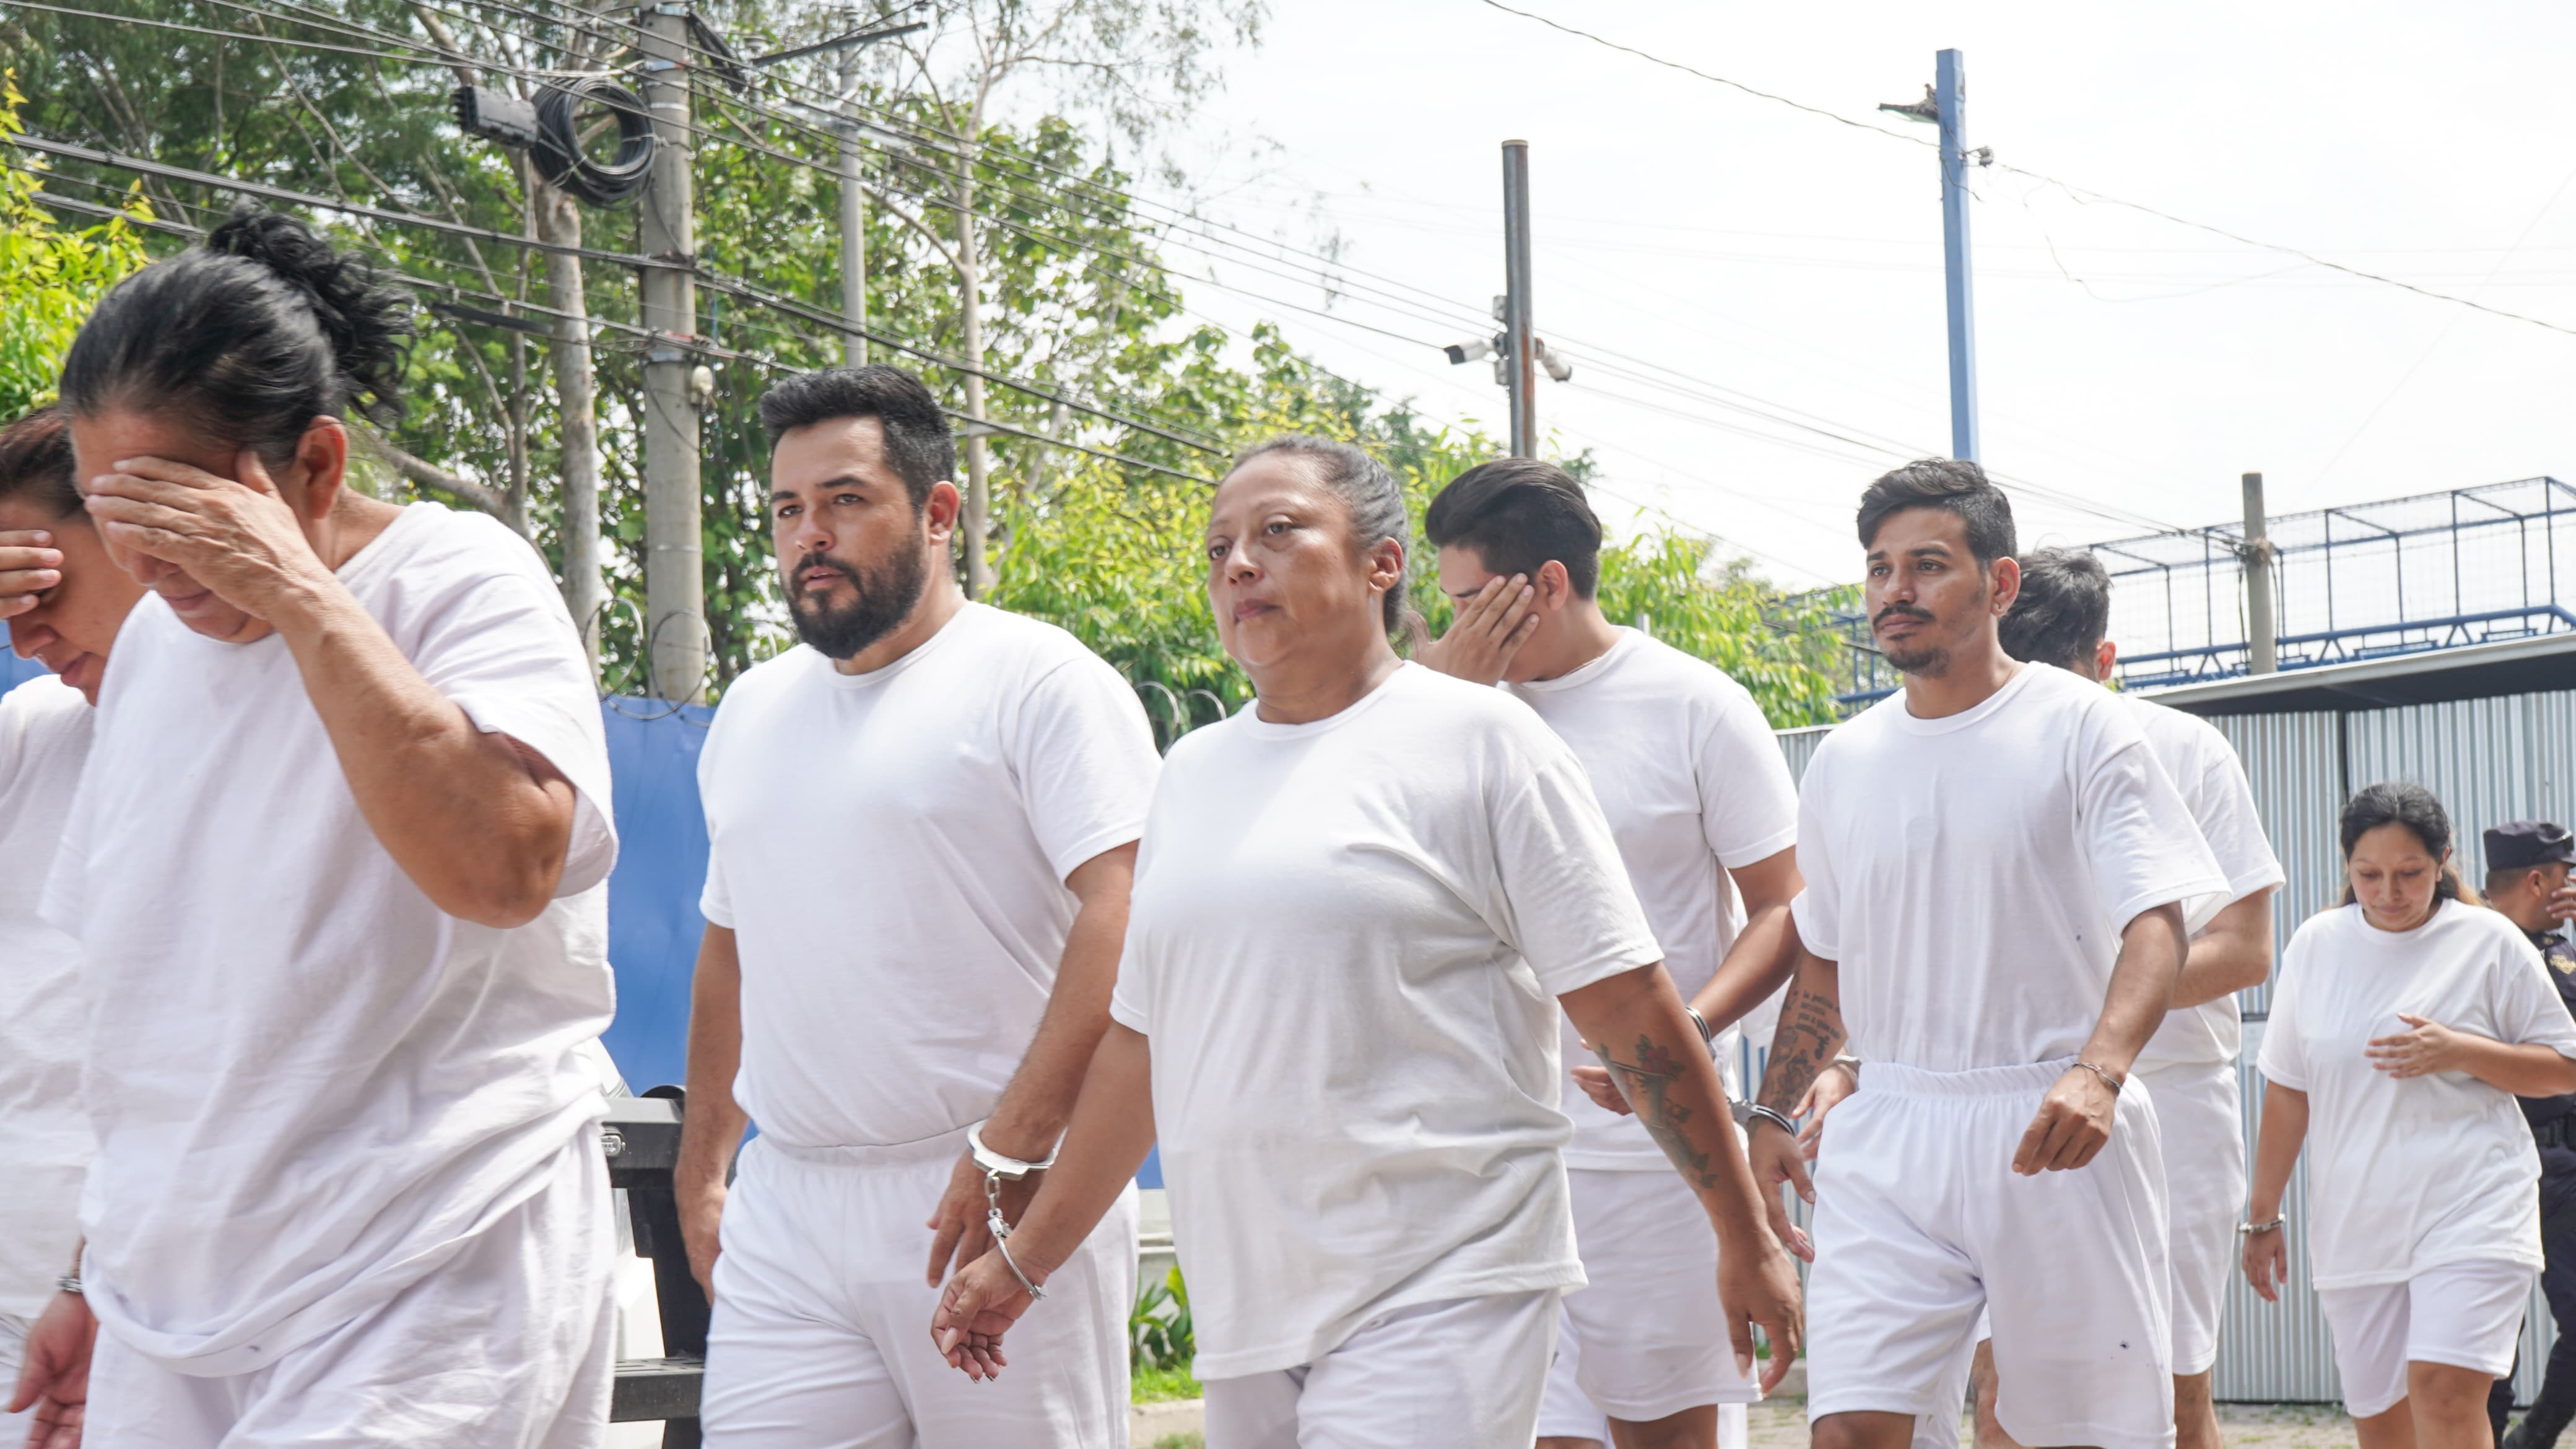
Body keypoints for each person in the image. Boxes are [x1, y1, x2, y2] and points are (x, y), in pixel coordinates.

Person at [926, 435, 1802, 1448]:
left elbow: (1630, 1009)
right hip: (1252, 1299)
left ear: (1383, 563)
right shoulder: (1193, 774)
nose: (1238, 564)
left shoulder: (1485, 741)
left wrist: (1743, 1236)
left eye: (1278, 531)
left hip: (1446, 1279)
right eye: (1218, 548)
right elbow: (1143, 1047)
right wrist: (1028, 1257)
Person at [12, 208, 620, 1449]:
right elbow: (142, 1020)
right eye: (112, 509)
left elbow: (508, 867)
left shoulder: (460, 579)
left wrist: (297, 593)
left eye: (179, 511)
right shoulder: (152, 658)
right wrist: (91, 1274)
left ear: (320, 468)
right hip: (175, 1308)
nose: (147, 560)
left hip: (426, 1263)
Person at [676, 364, 1160, 1448]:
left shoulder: (1040, 680)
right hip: (789, 1213)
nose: (810, 534)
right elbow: (730, 949)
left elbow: (1127, 910)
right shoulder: (751, 711)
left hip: (996, 1196)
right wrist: (703, 1174)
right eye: (788, 509)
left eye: (845, 500)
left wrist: (1013, 1149)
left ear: (939, 512)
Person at [1744, 459, 2227, 1449]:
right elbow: (1825, 954)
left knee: (2068, 1437)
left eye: (1927, 565)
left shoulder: (2082, 725)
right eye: (1879, 569)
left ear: (2000, 584)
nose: (1896, 591)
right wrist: (1773, 1109)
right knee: (1849, 1433)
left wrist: (2099, 1072)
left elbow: (2157, 921)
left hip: (2051, 1127)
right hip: (1890, 1129)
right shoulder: (1844, 759)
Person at [1418, 456, 1803, 1449]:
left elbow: (1784, 905)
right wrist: (1437, 712)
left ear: (1545, 585)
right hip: (1491, 1160)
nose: (1452, 627)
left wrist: (1693, 1026)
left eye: (1467, 601)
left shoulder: (1693, 704)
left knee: (1665, 1433)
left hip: (1652, 1159)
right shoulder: (1438, 713)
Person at [2246, 784, 2576, 1448]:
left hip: (2476, 1203)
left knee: (2446, 1394)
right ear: (2346, 864)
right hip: (2359, 1219)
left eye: (2409, 874)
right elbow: (2288, 1089)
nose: (2388, 893)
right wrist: (2262, 1216)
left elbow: (2564, 1065)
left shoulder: (2487, 940)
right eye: (2368, 875)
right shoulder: (2315, 945)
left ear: (2443, 860)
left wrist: (2460, 1051)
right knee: (2384, 1426)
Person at [0, 406, 148, 1447]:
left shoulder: (284, 731)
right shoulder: (32, 734)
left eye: (42, 588)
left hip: (157, 1320)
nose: (25, 636)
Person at [2483, 821, 2576, 1449]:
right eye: (2566, 876)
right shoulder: (2469, 946)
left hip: (2566, 1165)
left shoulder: (2563, 950)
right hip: (2493, 1159)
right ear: (2539, 880)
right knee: (2485, 1340)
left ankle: (2534, 1437)